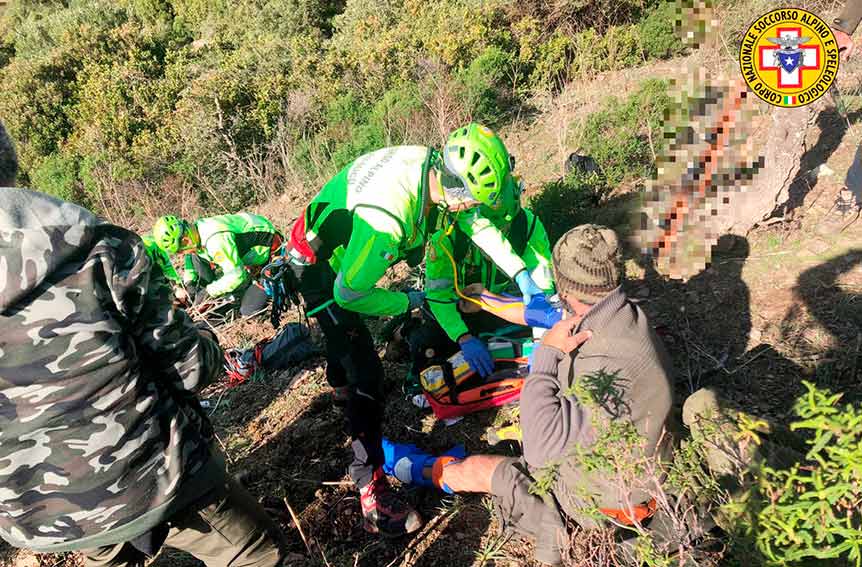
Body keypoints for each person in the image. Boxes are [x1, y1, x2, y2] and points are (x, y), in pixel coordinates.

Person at [0, 123, 286, 567]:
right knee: (257, 555)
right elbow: (190, 365)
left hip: (45, 512)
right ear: (9, 159)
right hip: (155, 470)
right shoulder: (98, 248)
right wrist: (208, 341)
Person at [283, 123, 545, 537]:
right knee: (366, 371)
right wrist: (407, 302)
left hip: (345, 253)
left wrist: (520, 273)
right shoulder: (388, 218)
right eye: (470, 201)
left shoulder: (435, 170)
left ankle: (339, 390)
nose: (470, 209)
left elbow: (476, 224)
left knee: (343, 348)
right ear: (455, 186)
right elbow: (350, 292)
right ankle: (370, 486)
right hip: (321, 267)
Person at [382, 225, 675, 564]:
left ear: (564, 288)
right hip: (651, 466)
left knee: (489, 470)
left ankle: (415, 468)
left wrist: (547, 356)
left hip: (605, 502)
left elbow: (538, 453)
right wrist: (482, 299)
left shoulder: (597, 365)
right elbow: (540, 313)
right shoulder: (624, 315)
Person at [407, 173, 554, 389]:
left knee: (540, 330)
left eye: (505, 228)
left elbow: (543, 287)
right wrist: (463, 337)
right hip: (457, 312)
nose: (502, 234)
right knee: (426, 343)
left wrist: (543, 341)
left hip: (497, 305)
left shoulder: (526, 226)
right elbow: (439, 296)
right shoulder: (447, 237)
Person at [152, 213, 283, 317]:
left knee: (248, 310)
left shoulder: (215, 240)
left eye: (180, 250)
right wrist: (189, 283)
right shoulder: (196, 231)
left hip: (269, 256)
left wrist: (209, 292)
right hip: (248, 255)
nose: (181, 254)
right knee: (194, 256)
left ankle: (237, 294)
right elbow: (190, 259)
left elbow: (237, 275)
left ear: (185, 240)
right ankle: (208, 294)